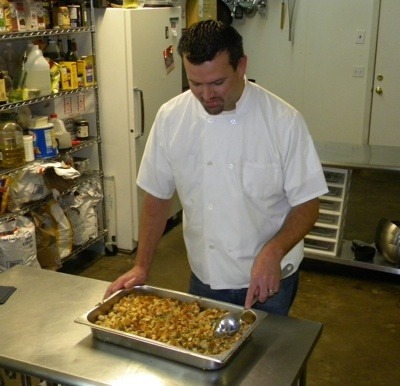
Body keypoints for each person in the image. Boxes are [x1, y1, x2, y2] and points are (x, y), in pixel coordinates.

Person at [104, 20, 328, 316]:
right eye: (195, 83)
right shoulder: (172, 117)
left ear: (242, 66)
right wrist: (142, 265)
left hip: (270, 279)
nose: (206, 94)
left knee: (269, 361)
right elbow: (157, 197)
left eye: (217, 82)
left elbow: (308, 206)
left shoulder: (283, 121)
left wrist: (274, 250)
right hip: (205, 278)